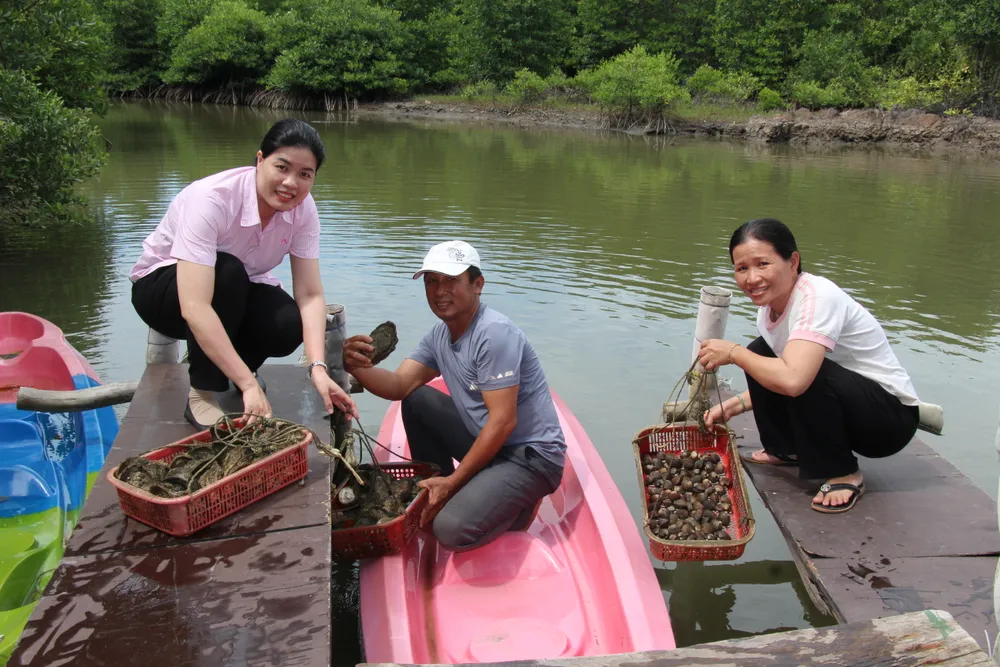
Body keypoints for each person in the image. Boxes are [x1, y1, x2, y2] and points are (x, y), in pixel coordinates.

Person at [129, 118, 358, 428]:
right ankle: (203, 393)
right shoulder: (211, 198)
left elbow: (310, 294)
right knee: (228, 273)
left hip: (234, 290)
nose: (291, 183)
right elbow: (194, 306)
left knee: (288, 321)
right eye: (282, 167)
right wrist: (250, 386)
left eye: (305, 174)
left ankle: (236, 371)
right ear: (260, 160)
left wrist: (318, 368)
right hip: (163, 290)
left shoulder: (304, 211)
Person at [343, 241, 565, 551]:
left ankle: (513, 509)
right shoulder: (439, 335)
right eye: (432, 281)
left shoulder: (494, 333)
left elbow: (503, 422)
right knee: (417, 400)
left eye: (451, 280)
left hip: (529, 458)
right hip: (492, 446)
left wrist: (454, 482)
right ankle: (442, 487)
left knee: (449, 530)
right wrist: (354, 366)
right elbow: (399, 385)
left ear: (478, 285)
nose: (439, 290)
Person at [698, 218, 920, 513]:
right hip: (846, 403)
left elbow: (795, 380)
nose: (752, 278)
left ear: (793, 261)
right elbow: (781, 371)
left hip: (887, 421)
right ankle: (785, 449)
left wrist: (734, 353)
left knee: (771, 361)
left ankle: (844, 472)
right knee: (760, 351)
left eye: (763, 264)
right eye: (742, 268)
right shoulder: (768, 310)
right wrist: (737, 404)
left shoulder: (818, 297)